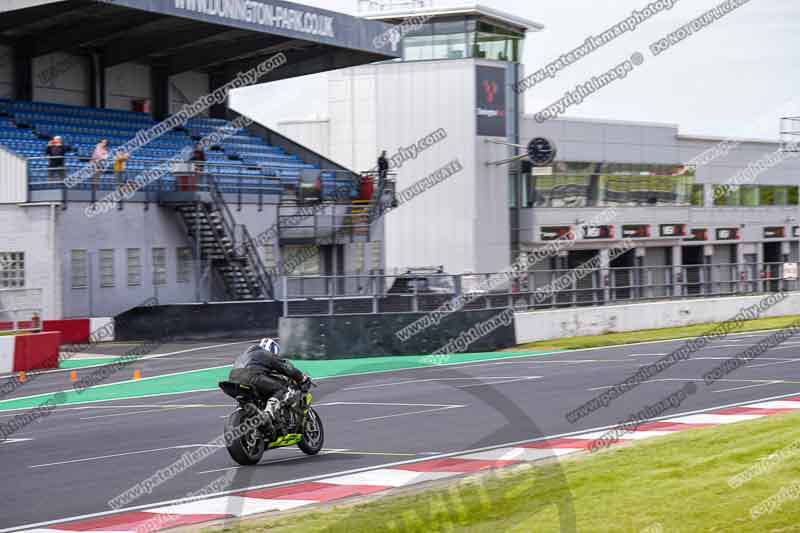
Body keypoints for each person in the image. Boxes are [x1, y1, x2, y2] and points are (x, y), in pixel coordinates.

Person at [228, 338, 311, 432]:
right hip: (251, 377)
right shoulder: (267, 354)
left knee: (255, 397)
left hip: (232, 379)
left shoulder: (245, 354)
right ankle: (268, 414)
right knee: (282, 389)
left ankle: (251, 414)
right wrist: (301, 378)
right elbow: (287, 368)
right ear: (272, 350)